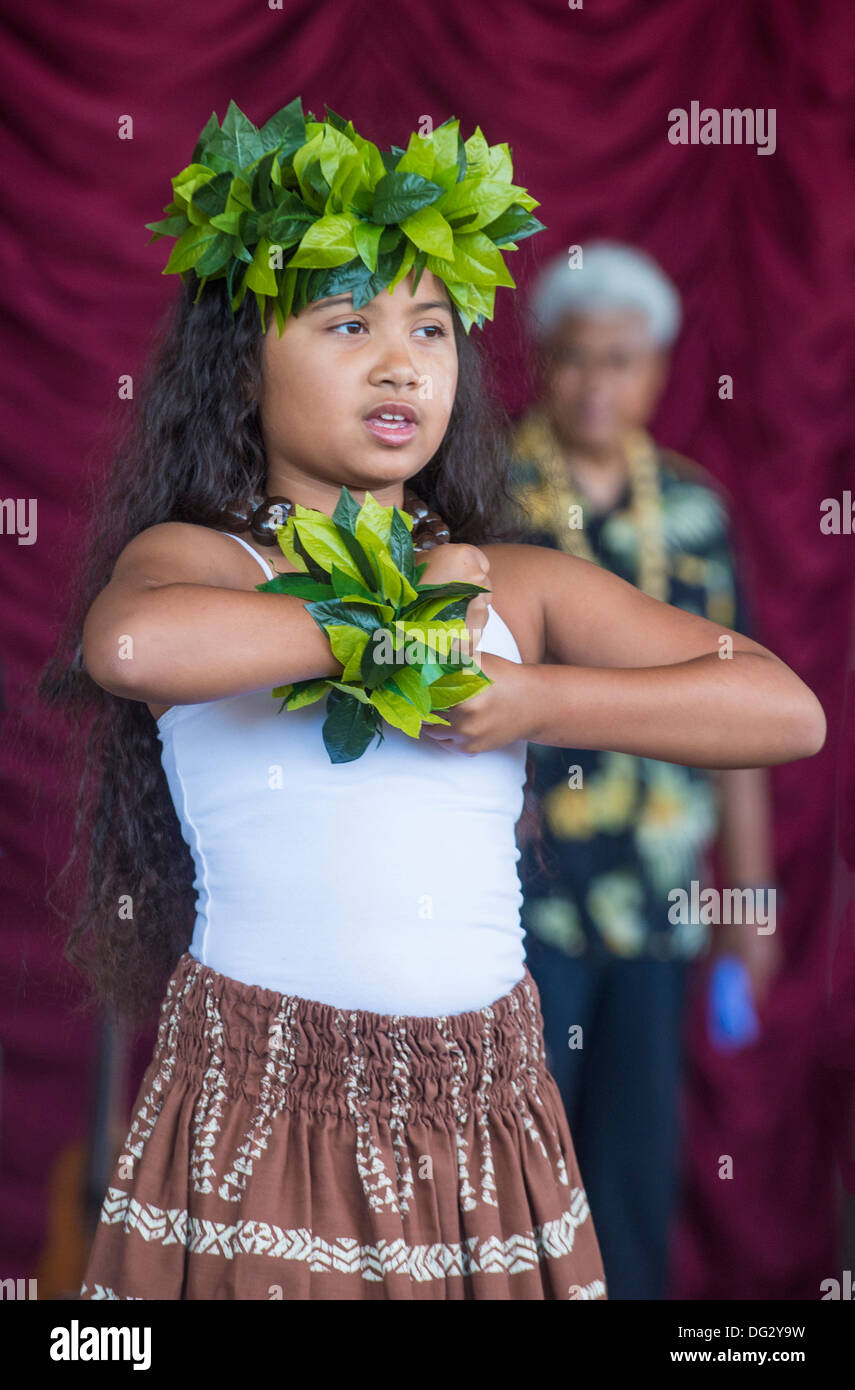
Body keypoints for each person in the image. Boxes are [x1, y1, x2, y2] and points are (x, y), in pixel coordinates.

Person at [40, 106, 824, 1302]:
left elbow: (785, 709)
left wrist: (537, 697)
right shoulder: (204, 559)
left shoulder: (516, 583)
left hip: (485, 1107)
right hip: (264, 1099)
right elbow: (133, 643)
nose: (401, 361)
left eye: (431, 328)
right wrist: (394, 620)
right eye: (348, 324)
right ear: (245, 362)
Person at [509, 240, 782, 1299]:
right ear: (542, 360)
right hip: (528, 896)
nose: (598, 383)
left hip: (662, 896)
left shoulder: (699, 514)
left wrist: (749, 903)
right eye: (577, 358)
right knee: (521, 1170)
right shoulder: (496, 500)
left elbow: (747, 720)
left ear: (660, 368)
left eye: (622, 360)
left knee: (630, 1168)